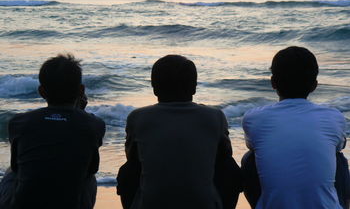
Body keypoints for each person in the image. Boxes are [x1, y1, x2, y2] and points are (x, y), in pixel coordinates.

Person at [117, 55, 242, 209]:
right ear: (194, 87)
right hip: (204, 204)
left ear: (154, 88)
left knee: (127, 170)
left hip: (150, 204)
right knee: (229, 166)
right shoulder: (214, 116)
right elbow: (225, 155)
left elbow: (132, 157)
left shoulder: (138, 117)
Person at [242, 46, 349, 209]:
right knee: (338, 157)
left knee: (250, 157)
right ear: (314, 85)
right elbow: (340, 145)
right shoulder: (334, 117)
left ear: (273, 83)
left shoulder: (254, 118)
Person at [0, 54, 105, 209]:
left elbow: (16, 167)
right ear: (81, 90)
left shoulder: (19, 122)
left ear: (42, 91)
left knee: (11, 172)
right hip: (72, 203)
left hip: (22, 204)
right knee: (88, 177)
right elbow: (91, 167)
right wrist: (79, 112)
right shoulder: (94, 124)